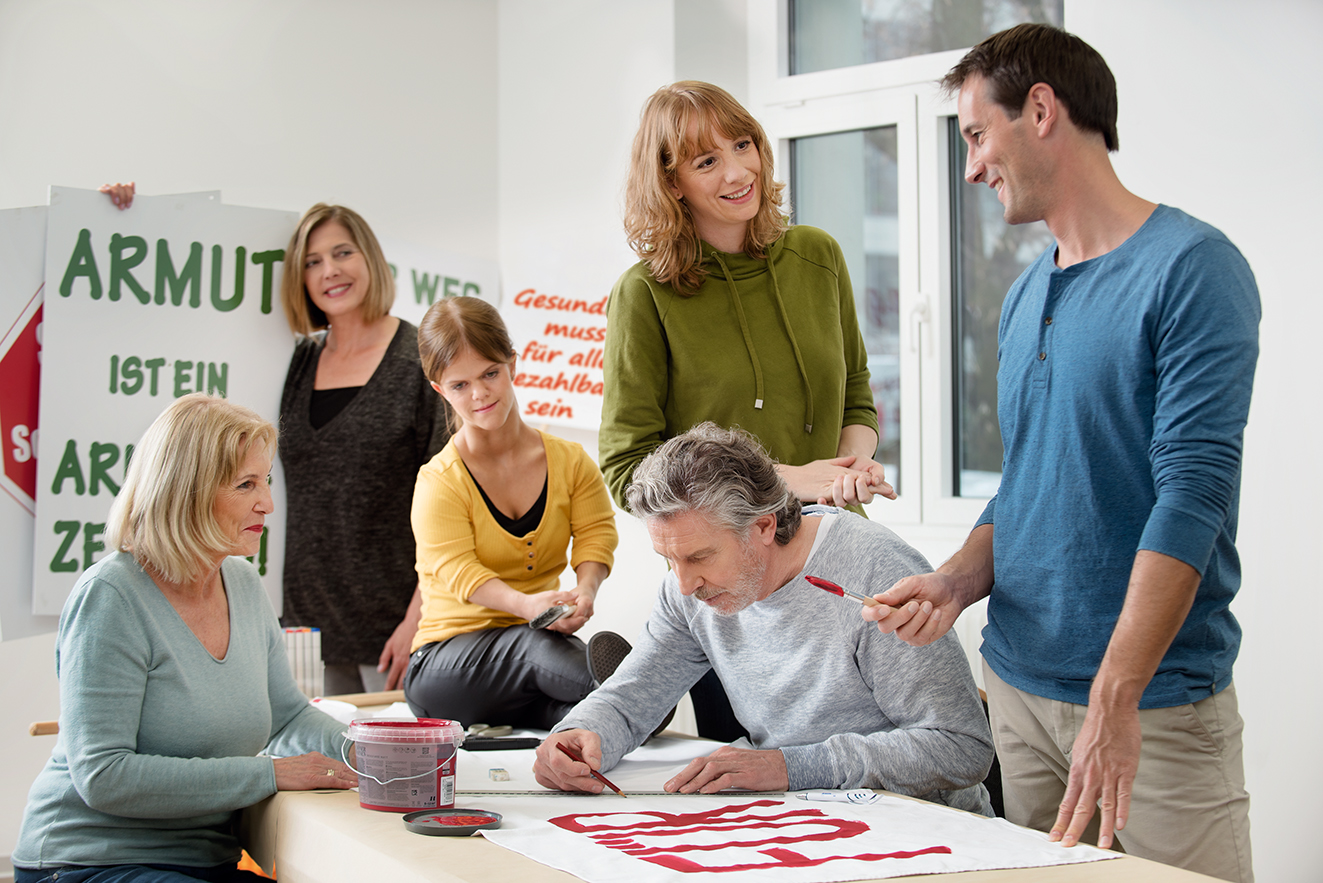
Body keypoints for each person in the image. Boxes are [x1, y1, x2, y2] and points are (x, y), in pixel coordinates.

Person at [864, 24, 1257, 882]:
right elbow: (1030, 481)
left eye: (976, 134)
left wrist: (1114, 697)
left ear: (1040, 110)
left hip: (1146, 703)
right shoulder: (1023, 293)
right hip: (1018, 687)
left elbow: (1191, 495)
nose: (970, 167)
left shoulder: (1191, 268)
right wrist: (955, 581)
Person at [534, 423, 993, 815]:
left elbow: (961, 745)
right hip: (799, 822)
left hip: (924, 829)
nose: (684, 584)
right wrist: (578, 735)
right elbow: (630, 697)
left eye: (699, 557)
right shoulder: (690, 590)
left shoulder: (873, 569)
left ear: (764, 526)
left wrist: (789, 766)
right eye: (669, 559)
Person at [12, 394, 357, 883]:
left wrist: (365, 751)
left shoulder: (240, 582)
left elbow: (288, 713)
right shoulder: (111, 596)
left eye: (266, 481)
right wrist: (270, 773)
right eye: (246, 485)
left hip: (203, 860)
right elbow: (103, 776)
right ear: (186, 491)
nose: (268, 503)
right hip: (88, 861)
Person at [600, 81, 896, 513]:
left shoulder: (818, 255)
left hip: (836, 535)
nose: (738, 172)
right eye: (706, 161)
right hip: (724, 563)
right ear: (672, 183)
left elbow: (855, 394)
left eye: (742, 144)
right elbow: (629, 470)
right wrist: (786, 479)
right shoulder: (644, 293)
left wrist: (847, 470)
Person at [403, 296, 618, 729]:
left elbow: (597, 533)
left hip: (526, 665)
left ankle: (624, 710)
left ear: (513, 365)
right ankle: (634, 693)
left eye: (490, 374)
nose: (480, 394)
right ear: (439, 390)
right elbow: (457, 570)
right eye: (460, 385)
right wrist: (525, 606)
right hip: (444, 667)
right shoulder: (440, 480)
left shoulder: (571, 461)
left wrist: (587, 590)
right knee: (537, 648)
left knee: (584, 719)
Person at [278, 203, 450, 694]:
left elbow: (452, 507)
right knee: (318, 768)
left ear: (369, 258)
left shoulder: (417, 360)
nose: (329, 270)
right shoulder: (295, 361)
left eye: (342, 253)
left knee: (394, 769)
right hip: (304, 632)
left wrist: (418, 618)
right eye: (312, 261)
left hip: (394, 632)